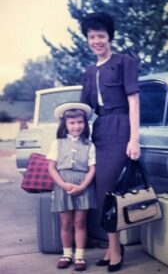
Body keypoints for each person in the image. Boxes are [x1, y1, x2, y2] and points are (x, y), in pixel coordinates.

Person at [80, 12, 140, 272]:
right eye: (92, 37)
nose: (97, 41)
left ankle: (116, 249)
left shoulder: (124, 62)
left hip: (120, 127)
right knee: (101, 190)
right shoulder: (89, 71)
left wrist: (134, 139)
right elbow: (85, 109)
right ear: (88, 40)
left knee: (109, 190)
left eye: (101, 36)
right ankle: (111, 246)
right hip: (100, 129)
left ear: (109, 37)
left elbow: (134, 102)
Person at [47, 102, 96, 271]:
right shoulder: (57, 143)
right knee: (66, 223)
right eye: (72, 123)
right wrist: (62, 184)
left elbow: (92, 169)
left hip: (83, 187)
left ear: (85, 123)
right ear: (65, 124)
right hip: (63, 186)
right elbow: (51, 167)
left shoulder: (89, 145)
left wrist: (82, 187)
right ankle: (67, 254)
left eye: (80, 122)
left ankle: (80, 257)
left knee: (80, 222)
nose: (76, 126)